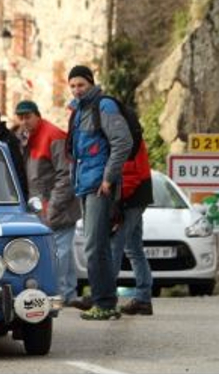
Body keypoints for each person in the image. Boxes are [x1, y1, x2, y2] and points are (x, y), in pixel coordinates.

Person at [66, 65, 132, 321]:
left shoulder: (104, 107)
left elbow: (122, 142)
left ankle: (103, 302)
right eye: (72, 85)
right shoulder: (79, 110)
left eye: (81, 85)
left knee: (94, 246)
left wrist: (108, 179)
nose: (77, 90)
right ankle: (106, 302)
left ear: (91, 83)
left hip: (99, 186)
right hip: (86, 184)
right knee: (99, 245)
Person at [15, 100, 84, 310]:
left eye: (28, 117)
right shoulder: (30, 137)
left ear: (37, 115)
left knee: (59, 252)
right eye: (21, 118)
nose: (24, 121)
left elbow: (66, 176)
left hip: (55, 205)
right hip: (45, 204)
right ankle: (69, 293)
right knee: (64, 251)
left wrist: (53, 207)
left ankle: (59, 293)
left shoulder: (53, 135)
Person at [110, 140, 154, 315]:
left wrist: (120, 198)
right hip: (138, 195)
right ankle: (143, 299)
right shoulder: (129, 129)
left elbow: (129, 172)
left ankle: (105, 297)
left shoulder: (123, 131)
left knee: (115, 245)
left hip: (130, 195)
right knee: (134, 249)